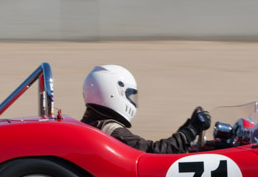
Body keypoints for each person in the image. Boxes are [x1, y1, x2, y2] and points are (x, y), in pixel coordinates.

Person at [80, 64, 211, 154]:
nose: (132, 101)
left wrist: (186, 131)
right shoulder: (111, 131)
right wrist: (191, 131)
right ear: (113, 92)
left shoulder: (91, 123)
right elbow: (153, 153)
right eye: (130, 95)